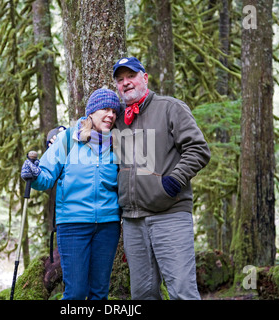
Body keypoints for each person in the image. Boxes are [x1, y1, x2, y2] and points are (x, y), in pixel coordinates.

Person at [112, 56, 211, 300]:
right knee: (143, 295)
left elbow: (199, 149)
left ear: (144, 78)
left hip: (170, 214)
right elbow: (89, 130)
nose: (126, 83)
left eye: (131, 76)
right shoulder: (117, 119)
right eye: (120, 79)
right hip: (133, 221)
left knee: (182, 292)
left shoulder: (170, 107)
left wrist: (173, 182)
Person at [21, 88, 121, 300]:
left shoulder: (118, 143)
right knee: (75, 293)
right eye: (105, 109)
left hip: (108, 225)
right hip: (73, 225)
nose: (111, 114)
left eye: (114, 111)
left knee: (100, 293)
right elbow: (45, 176)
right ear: (91, 112)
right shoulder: (67, 139)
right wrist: (33, 173)